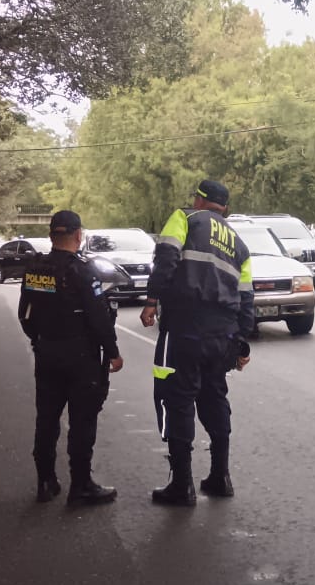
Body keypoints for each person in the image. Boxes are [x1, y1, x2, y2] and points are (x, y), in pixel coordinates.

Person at [141, 179, 254, 506]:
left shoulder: (185, 218)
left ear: (199, 200)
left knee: (176, 398)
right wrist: (241, 343)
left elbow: (166, 259)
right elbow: (247, 298)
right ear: (225, 209)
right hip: (223, 335)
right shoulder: (239, 244)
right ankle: (220, 476)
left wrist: (151, 300)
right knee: (214, 397)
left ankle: (182, 485)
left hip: (184, 326)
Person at [19, 210, 124, 505]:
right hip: (80, 357)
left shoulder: (36, 269)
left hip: (47, 352)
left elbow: (24, 314)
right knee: (82, 421)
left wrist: (39, 340)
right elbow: (99, 318)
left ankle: (45, 481)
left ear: (52, 235)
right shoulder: (83, 271)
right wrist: (113, 352)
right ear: (79, 235)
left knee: (47, 419)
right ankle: (81, 485)